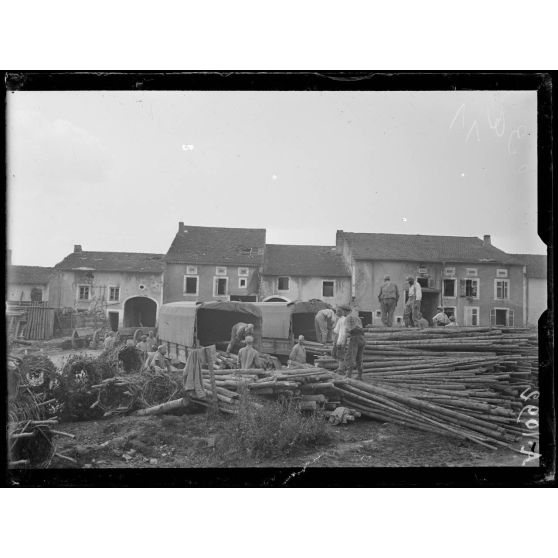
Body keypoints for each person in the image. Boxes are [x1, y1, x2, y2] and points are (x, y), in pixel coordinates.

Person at [344, 308, 365, 379]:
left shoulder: (348, 318)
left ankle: (348, 375)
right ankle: (360, 375)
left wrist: (344, 342)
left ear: (345, 311)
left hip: (354, 338)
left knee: (350, 356)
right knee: (359, 357)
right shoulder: (357, 318)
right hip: (362, 338)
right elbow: (361, 328)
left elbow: (348, 330)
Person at [332, 306, 348, 373]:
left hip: (342, 339)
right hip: (339, 339)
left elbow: (344, 332)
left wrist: (343, 341)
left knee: (341, 355)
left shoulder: (344, 319)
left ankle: (341, 369)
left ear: (341, 312)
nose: (336, 313)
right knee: (338, 354)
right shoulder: (340, 319)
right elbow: (336, 330)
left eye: (337, 311)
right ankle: (340, 368)